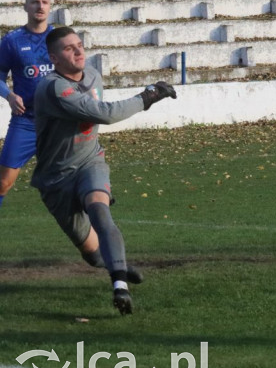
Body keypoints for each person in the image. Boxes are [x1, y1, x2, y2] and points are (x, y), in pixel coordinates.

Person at [33, 27, 177, 314]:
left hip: (90, 163)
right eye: (68, 48)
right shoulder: (54, 88)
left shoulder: (94, 77)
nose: (78, 50)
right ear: (54, 58)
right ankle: (115, 263)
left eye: (79, 44)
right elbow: (105, 114)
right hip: (55, 179)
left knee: (100, 209)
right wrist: (148, 96)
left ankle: (119, 285)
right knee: (92, 254)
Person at [0, 0, 54, 211]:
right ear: (25, 6)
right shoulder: (12, 40)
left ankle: (93, 236)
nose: (40, 6)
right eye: (34, 2)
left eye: (44, 2)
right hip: (25, 122)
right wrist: (9, 95)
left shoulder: (60, 38)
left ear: (50, 7)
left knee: (75, 181)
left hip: (57, 122)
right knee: (3, 182)